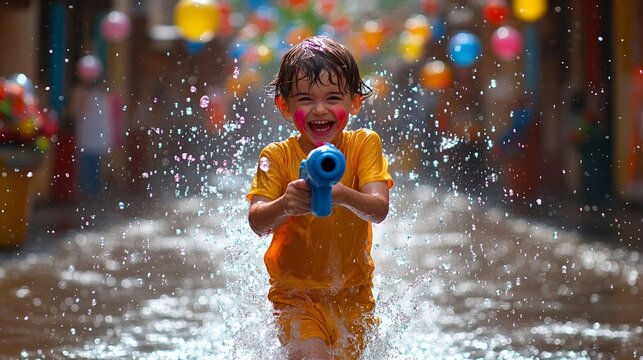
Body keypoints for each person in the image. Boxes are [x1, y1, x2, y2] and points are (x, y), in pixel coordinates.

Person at [247, 35, 393, 359]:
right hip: (294, 296)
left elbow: (379, 209)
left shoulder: (363, 145)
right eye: (305, 99)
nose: (320, 109)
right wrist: (284, 205)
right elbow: (257, 221)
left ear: (355, 102)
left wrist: (341, 194)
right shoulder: (277, 155)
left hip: (354, 294)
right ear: (284, 106)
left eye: (333, 98)